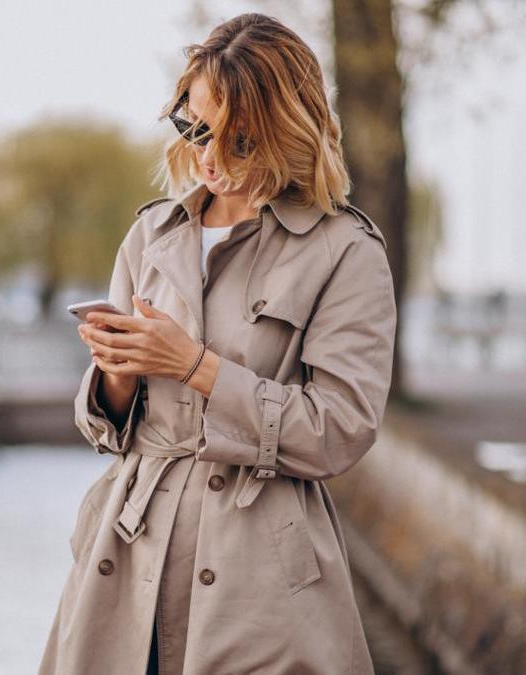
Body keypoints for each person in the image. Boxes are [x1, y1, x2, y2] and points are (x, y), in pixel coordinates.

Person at [38, 13, 396, 675]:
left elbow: (340, 429)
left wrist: (197, 367)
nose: (210, 158)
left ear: (290, 130)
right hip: (127, 563)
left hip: (261, 584)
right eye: (195, 128)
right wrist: (117, 372)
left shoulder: (346, 251)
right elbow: (112, 432)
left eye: (239, 140)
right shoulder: (153, 233)